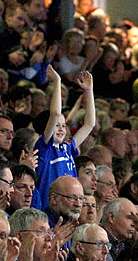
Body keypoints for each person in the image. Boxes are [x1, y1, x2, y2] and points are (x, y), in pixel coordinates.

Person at [32, 66, 95, 211]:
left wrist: (89, 90)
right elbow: (55, 113)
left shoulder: (67, 148)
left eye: (63, 125)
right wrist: (57, 82)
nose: (62, 129)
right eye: (57, 125)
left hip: (68, 210)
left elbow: (89, 124)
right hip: (46, 211)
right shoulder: (44, 148)